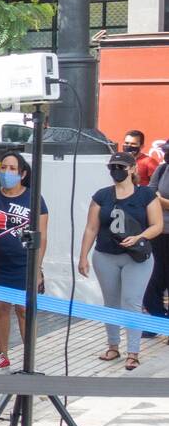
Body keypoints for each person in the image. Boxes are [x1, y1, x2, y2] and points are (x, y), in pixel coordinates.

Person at [79, 150, 164, 371]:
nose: (117, 171)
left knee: (132, 302)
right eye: (113, 167)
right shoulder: (102, 196)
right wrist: (83, 256)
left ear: (133, 169)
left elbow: (157, 225)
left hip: (136, 256)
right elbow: (91, 227)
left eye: (121, 167)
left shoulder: (145, 195)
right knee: (111, 302)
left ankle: (133, 351)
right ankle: (113, 345)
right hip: (106, 254)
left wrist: (139, 237)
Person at [0, 152, 48, 372]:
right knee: (0, 309)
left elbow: (42, 235)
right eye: (3, 167)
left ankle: (28, 356)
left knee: (24, 310)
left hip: (24, 264)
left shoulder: (34, 198)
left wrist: (37, 268)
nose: (6, 172)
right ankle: (3, 355)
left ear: (22, 173)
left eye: (12, 168)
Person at [142, 153, 169, 334]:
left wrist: (160, 200)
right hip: (159, 232)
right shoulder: (162, 169)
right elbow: (149, 194)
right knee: (153, 280)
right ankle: (159, 321)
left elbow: (155, 198)